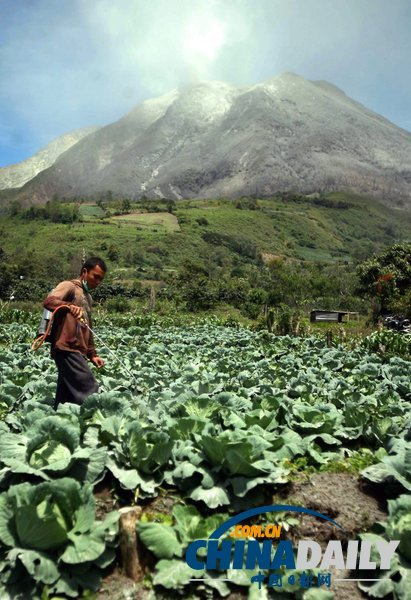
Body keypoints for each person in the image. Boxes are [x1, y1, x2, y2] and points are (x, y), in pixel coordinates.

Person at [43, 256, 107, 409]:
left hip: (78, 350)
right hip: (67, 347)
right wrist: (68, 306)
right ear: (85, 272)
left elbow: (88, 327)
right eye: (95, 277)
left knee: (65, 398)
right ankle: (94, 423)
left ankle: (58, 425)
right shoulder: (69, 286)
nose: (97, 282)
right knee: (89, 388)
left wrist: (92, 354)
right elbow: (49, 301)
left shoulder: (87, 297)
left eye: (101, 279)